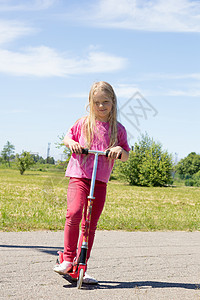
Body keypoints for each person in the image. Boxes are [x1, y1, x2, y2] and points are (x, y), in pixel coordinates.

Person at [53, 81, 130, 284]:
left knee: (90, 224)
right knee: (75, 213)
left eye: (105, 102)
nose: (101, 106)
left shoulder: (118, 130)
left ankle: (82, 265)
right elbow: (67, 138)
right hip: (79, 175)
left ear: (113, 102)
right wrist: (74, 144)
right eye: (97, 102)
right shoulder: (83, 123)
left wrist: (119, 151)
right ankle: (68, 259)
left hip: (100, 180)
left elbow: (125, 154)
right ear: (90, 102)